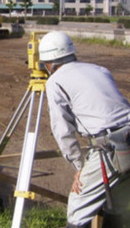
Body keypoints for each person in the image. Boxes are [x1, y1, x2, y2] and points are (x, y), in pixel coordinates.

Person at [38, 30, 130, 228]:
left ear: (48, 63)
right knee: (118, 205)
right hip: (126, 138)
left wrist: (80, 167)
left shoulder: (55, 81)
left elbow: (62, 130)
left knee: (78, 208)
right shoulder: (100, 69)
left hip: (111, 146)